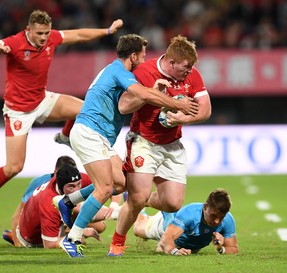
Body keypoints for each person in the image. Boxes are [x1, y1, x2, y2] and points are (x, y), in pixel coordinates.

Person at [0, 9, 123, 227]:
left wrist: (107, 30)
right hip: (19, 110)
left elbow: (79, 35)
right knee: (14, 167)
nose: (44, 37)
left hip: (42, 99)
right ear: (28, 30)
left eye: (46, 33)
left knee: (85, 110)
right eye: (39, 33)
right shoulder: (15, 43)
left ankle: (64, 136)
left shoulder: (51, 38)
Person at [57, 33, 199, 258]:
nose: (144, 61)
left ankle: (70, 201)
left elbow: (136, 99)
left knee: (122, 184)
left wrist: (155, 89)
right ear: (133, 56)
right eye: (142, 56)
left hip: (99, 136)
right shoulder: (120, 72)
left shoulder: (113, 70)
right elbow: (138, 95)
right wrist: (176, 103)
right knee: (104, 188)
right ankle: (73, 238)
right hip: (90, 133)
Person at [109, 35, 212, 256]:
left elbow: (205, 109)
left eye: (192, 67)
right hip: (143, 141)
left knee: (173, 203)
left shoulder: (192, 75)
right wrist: (151, 94)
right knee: (138, 197)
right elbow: (124, 106)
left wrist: (181, 119)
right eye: (186, 67)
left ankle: (136, 200)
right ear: (171, 62)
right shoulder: (145, 72)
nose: (189, 71)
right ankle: (117, 242)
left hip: (172, 145)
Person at [2, 155, 121, 246]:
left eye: (79, 185)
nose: (77, 190)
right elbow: (49, 244)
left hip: (54, 217)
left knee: (100, 226)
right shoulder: (48, 200)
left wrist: (114, 206)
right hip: (33, 238)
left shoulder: (75, 179)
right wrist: (81, 232)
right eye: (71, 187)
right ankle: (14, 235)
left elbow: (111, 185)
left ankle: (118, 213)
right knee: (81, 240)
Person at [133, 188, 239, 255]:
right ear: (205, 207)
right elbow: (167, 238)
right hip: (166, 228)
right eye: (213, 215)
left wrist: (220, 248)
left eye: (221, 217)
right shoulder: (190, 214)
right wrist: (175, 251)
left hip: (191, 246)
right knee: (137, 230)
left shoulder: (228, 220)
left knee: (161, 249)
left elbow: (233, 248)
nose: (217, 221)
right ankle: (139, 209)